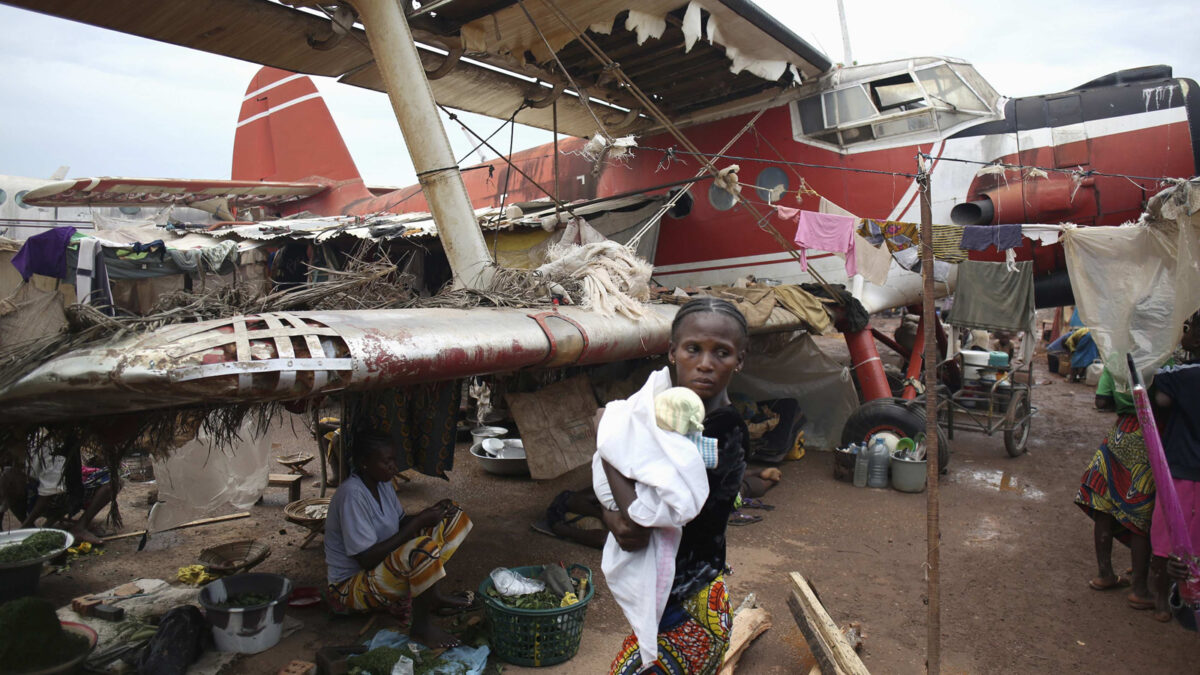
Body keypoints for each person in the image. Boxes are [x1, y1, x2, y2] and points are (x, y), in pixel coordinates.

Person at [603, 297, 749, 675]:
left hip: (686, 608)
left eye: (722, 353)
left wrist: (607, 444)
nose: (705, 364)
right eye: (693, 349)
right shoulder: (668, 416)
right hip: (682, 597)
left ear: (740, 361)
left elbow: (638, 522)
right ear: (672, 353)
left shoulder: (720, 433)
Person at [324, 434, 474, 648]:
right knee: (422, 550)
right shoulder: (352, 496)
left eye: (394, 460)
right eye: (387, 461)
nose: (394, 467)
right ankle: (421, 628)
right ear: (364, 463)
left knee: (453, 517)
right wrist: (420, 522)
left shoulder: (382, 482)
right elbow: (366, 559)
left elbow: (401, 522)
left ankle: (433, 596)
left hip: (379, 567)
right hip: (352, 586)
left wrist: (431, 513)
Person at [1076, 366, 1157, 610]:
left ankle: (1105, 574)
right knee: (1140, 512)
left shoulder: (1116, 359)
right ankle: (1140, 589)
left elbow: (1101, 401)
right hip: (1150, 436)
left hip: (1119, 435)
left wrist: (1123, 401)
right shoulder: (1162, 359)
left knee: (1104, 504)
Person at [1150, 325, 1200, 622]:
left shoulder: (1185, 374)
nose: (1185, 334)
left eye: (1189, 328)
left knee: (1167, 534)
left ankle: (1161, 601)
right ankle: (1190, 596)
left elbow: (1161, 399)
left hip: (1180, 466)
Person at [1, 443, 117, 545]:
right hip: (32, 494)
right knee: (7, 475)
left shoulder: (47, 446)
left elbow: (49, 491)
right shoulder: (9, 448)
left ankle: (79, 527)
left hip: (61, 495)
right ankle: (28, 527)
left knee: (114, 480)